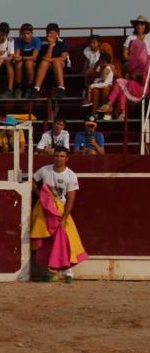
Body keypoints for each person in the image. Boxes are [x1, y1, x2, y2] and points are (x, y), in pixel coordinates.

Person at [30, 146, 87, 282]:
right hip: (45, 210)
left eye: (62, 156)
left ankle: (68, 271)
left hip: (61, 210)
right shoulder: (45, 170)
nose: (59, 158)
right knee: (48, 241)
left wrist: (65, 217)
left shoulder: (70, 175)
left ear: (66, 158)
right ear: (53, 157)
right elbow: (31, 181)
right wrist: (40, 195)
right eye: (56, 156)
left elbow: (71, 198)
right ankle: (52, 272)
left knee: (65, 240)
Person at [99, 36, 148, 122]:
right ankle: (112, 106)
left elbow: (146, 79)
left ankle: (120, 110)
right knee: (120, 83)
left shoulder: (146, 62)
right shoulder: (132, 61)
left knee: (123, 87)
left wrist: (138, 75)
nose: (130, 50)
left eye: (133, 48)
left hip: (143, 88)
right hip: (133, 85)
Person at [32, 23, 69, 98]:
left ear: (57, 33)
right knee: (44, 63)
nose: (49, 35)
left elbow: (63, 58)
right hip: (48, 67)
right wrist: (51, 46)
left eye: (51, 33)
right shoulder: (43, 43)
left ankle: (61, 89)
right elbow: (45, 58)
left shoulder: (62, 42)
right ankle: (36, 89)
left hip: (61, 66)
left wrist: (50, 59)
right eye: (48, 33)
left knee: (56, 62)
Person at [12, 23, 43, 98]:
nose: (26, 36)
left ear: (32, 33)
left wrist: (21, 58)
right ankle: (18, 88)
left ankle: (30, 88)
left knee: (28, 63)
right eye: (24, 33)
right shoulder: (18, 41)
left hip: (34, 63)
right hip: (23, 61)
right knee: (18, 64)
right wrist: (17, 58)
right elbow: (17, 56)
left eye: (28, 33)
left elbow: (34, 57)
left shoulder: (36, 41)